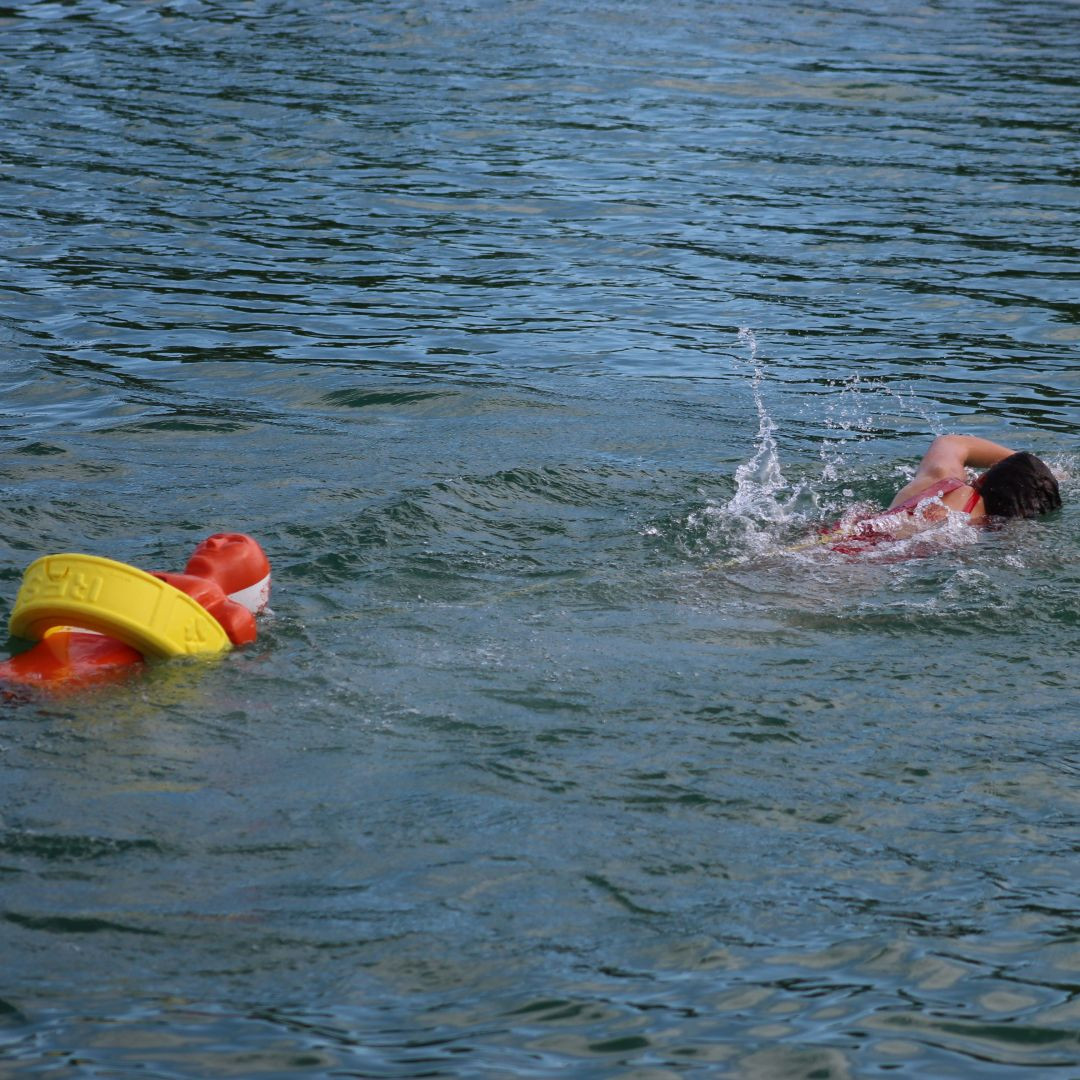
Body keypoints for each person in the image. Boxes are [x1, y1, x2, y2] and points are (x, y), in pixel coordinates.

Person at [822, 435, 1061, 552]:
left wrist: (1035, 467)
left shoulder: (943, 482)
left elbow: (952, 443)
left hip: (837, 545)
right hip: (881, 568)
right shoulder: (990, 533)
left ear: (983, 477)